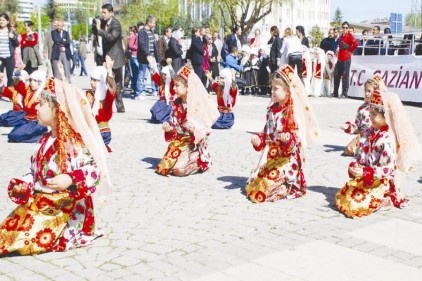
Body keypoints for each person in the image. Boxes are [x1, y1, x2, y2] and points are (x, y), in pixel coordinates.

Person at [0, 64, 111, 255]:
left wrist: (70, 178)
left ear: (57, 110)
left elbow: (93, 171)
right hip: (42, 202)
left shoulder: (73, 145)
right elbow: (35, 171)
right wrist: (26, 182)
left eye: (42, 104)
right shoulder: (43, 141)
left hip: (65, 207)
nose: (37, 106)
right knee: (9, 229)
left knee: (28, 237)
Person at [336, 86, 420, 218]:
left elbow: (388, 169)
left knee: (355, 204)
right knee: (344, 197)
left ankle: (386, 198)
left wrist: (366, 172)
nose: (370, 118)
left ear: (385, 116)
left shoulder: (387, 139)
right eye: (370, 114)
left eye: (374, 115)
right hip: (366, 178)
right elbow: (358, 155)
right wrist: (355, 166)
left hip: (381, 181)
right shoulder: (367, 133)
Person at [245, 64, 319, 203]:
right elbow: (267, 132)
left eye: (276, 89)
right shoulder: (272, 110)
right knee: (253, 184)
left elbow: (297, 139)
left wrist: (288, 140)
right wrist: (258, 139)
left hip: (287, 159)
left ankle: (288, 186)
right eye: (271, 88)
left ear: (288, 91)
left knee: (263, 191)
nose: (272, 92)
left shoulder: (292, 113)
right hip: (272, 156)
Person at [156, 66, 219, 177]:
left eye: (177, 85)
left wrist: (194, 129)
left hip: (193, 144)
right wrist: (169, 128)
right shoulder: (176, 103)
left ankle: (199, 160)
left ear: (188, 87)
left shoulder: (197, 106)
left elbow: (206, 132)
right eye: (174, 85)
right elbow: (174, 126)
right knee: (164, 167)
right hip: (179, 143)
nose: (174, 88)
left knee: (178, 170)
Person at [0, 70, 49, 143]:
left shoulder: (44, 95)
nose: (31, 82)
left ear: (40, 82)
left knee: (15, 136)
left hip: (36, 123)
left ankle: (41, 134)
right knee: (12, 135)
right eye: (30, 80)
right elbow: (18, 86)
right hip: (25, 120)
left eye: (34, 81)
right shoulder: (28, 91)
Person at [95, 4, 125, 112]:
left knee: (116, 83)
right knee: (104, 80)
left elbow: (112, 37)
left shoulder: (116, 24)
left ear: (111, 13)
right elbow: (96, 33)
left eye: (105, 13)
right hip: (105, 56)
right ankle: (105, 105)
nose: (102, 15)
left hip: (115, 57)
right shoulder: (102, 23)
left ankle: (120, 106)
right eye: (102, 12)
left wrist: (100, 30)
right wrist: (95, 26)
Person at [86, 56, 116, 153]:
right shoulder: (88, 94)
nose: (91, 82)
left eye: (95, 80)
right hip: (91, 129)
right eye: (91, 79)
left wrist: (110, 70)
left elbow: (112, 89)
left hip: (103, 132)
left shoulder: (106, 96)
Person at [340, 78, 377, 156]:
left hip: (376, 137)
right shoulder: (361, 108)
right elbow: (358, 127)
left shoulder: (379, 107)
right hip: (364, 137)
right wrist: (349, 127)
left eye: (369, 91)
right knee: (348, 150)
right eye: (365, 91)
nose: (366, 94)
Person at [332, 21, 358, 99]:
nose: (345, 29)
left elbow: (355, 44)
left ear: (348, 28)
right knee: (336, 75)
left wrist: (350, 51)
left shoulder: (350, 36)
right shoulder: (341, 36)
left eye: (346, 28)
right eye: (343, 27)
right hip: (340, 57)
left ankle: (344, 93)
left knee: (345, 76)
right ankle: (335, 93)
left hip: (346, 58)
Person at [137, 15, 159, 98]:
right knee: (142, 75)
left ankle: (156, 90)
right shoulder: (142, 32)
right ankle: (139, 92)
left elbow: (153, 45)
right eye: (153, 23)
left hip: (152, 57)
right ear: (149, 22)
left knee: (155, 74)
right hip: (144, 57)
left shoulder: (151, 31)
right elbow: (142, 44)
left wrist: (155, 57)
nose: (155, 24)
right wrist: (147, 54)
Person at [149, 57, 175, 123]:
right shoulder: (160, 82)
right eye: (162, 74)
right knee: (156, 108)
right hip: (161, 103)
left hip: (169, 104)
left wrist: (170, 66)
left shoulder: (171, 83)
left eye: (165, 74)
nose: (164, 76)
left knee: (162, 116)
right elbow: (154, 74)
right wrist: (151, 63)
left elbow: (174, 76)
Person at [0, 13, 19, 87]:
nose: (1, 22)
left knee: (10, 77)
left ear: (7, 21)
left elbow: (17, 44)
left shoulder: (11, 32)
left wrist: (13, 37)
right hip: (0, 58)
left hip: (9, 58)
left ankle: (9, 94)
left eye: (3, 20)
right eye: (0, 20)